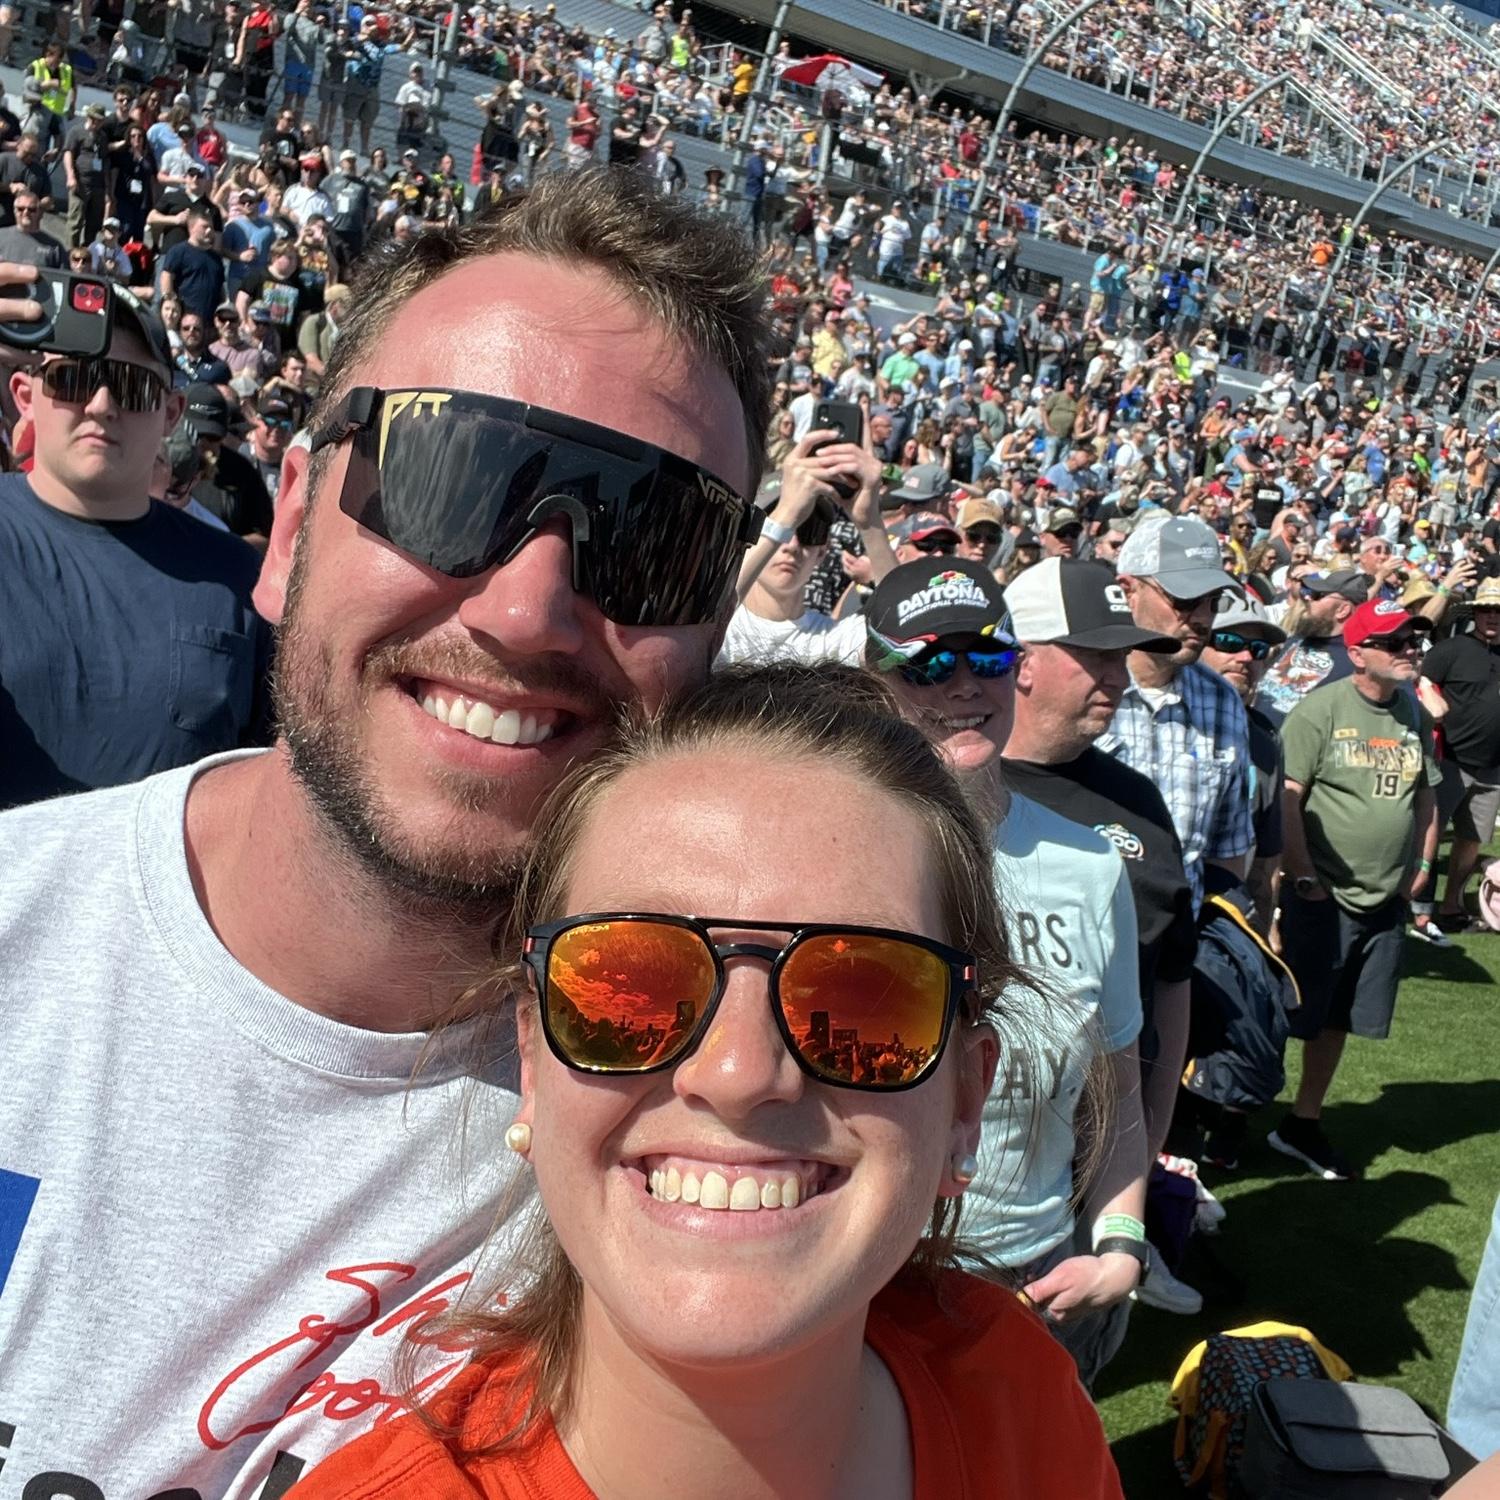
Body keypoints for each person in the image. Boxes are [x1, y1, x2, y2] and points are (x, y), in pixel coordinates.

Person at [0, 168, 774, 1495]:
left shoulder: (736, 1131)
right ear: (289, 521)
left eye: (651, 535)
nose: (527, 611)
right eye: (450, 472)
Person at [288, 665, 1124, 1498]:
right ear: (534, 1065)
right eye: (631, 985)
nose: (737, 1072)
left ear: (964, 1107)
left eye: (865, 993)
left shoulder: (1021, 1399)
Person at [864, 559, 1149, 1389]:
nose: (962, 684)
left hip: (1039, 1282)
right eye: (927, 664)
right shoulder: (839, 856)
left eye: (985, 659)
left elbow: (1119, 1088)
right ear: (875, 681)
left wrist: (1122, 1244)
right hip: (875, 1278)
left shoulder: (1090, 865)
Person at [0, 282, 269, 807]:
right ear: (25, 397)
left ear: (171, 413)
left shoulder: (237, 577)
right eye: (73, 379)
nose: (101, 405)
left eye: (131, 387)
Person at [1272, 596, 1440, 1180]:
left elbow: (1425, 792)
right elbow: (1287, 798)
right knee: (1286, 1011)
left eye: (1412, 640)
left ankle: (1302, 1122)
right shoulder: (1318, 712)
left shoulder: (1412, 714)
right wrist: (1303, 878)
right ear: (1358, 652)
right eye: (1395, 642)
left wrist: (1423, 863)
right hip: (1323, 894)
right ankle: (1223, 1115)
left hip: (1384, 898)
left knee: (1340, 1017)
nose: (1409, 650)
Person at [1100, 515, 1253, 914]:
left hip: (1179, 957)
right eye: (1184, 601)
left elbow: (1227, 850)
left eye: (1212, 602)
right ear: (1128, 591)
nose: (1202, 617)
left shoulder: (1223, 701)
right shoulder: (1083, 687)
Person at [718, 432, 893, 665]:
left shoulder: (834, 640)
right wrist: (787, 514)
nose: (791, 545)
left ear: (823, 551)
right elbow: (704, 622)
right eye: (781, 528)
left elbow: (904, 635)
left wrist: (869, 522)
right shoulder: (721, 631)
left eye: (809, 531)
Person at [1414, 576, 1500, 938]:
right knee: (1430, 833)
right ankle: (1420, 906)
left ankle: (1451, 905)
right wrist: (1432, 702)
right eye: (1486, 611)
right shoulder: (1452, 649)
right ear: (1475, 614)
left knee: (1471, 838)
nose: (1492, 617)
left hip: (1493, 767)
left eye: (1498, 611)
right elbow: (1418, 679)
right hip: (1450, 759)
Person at [1199, 595, 1288, 936]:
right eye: (1229, 642)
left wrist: (1264, 933)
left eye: (1258, 648)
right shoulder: (1156, 721)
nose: (1246, 657)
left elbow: (1266, 859)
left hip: (1224, 927)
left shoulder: (1265, 739)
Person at [158, 203, 227, 324]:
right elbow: (166, 278)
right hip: (185, 322)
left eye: (211, 227)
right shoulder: (178, 251)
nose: (209, 230)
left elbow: (221, 290)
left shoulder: (216, 258)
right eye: (204, 227)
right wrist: (172, 309)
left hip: (210, 324)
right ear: (191, 227)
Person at [0, 189, 63, 266]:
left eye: (31, 209)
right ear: (14, 211)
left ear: (39, 212)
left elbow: (63, 276)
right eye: (21, 209)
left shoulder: (54, 247)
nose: (26, 212)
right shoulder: (1, 236)